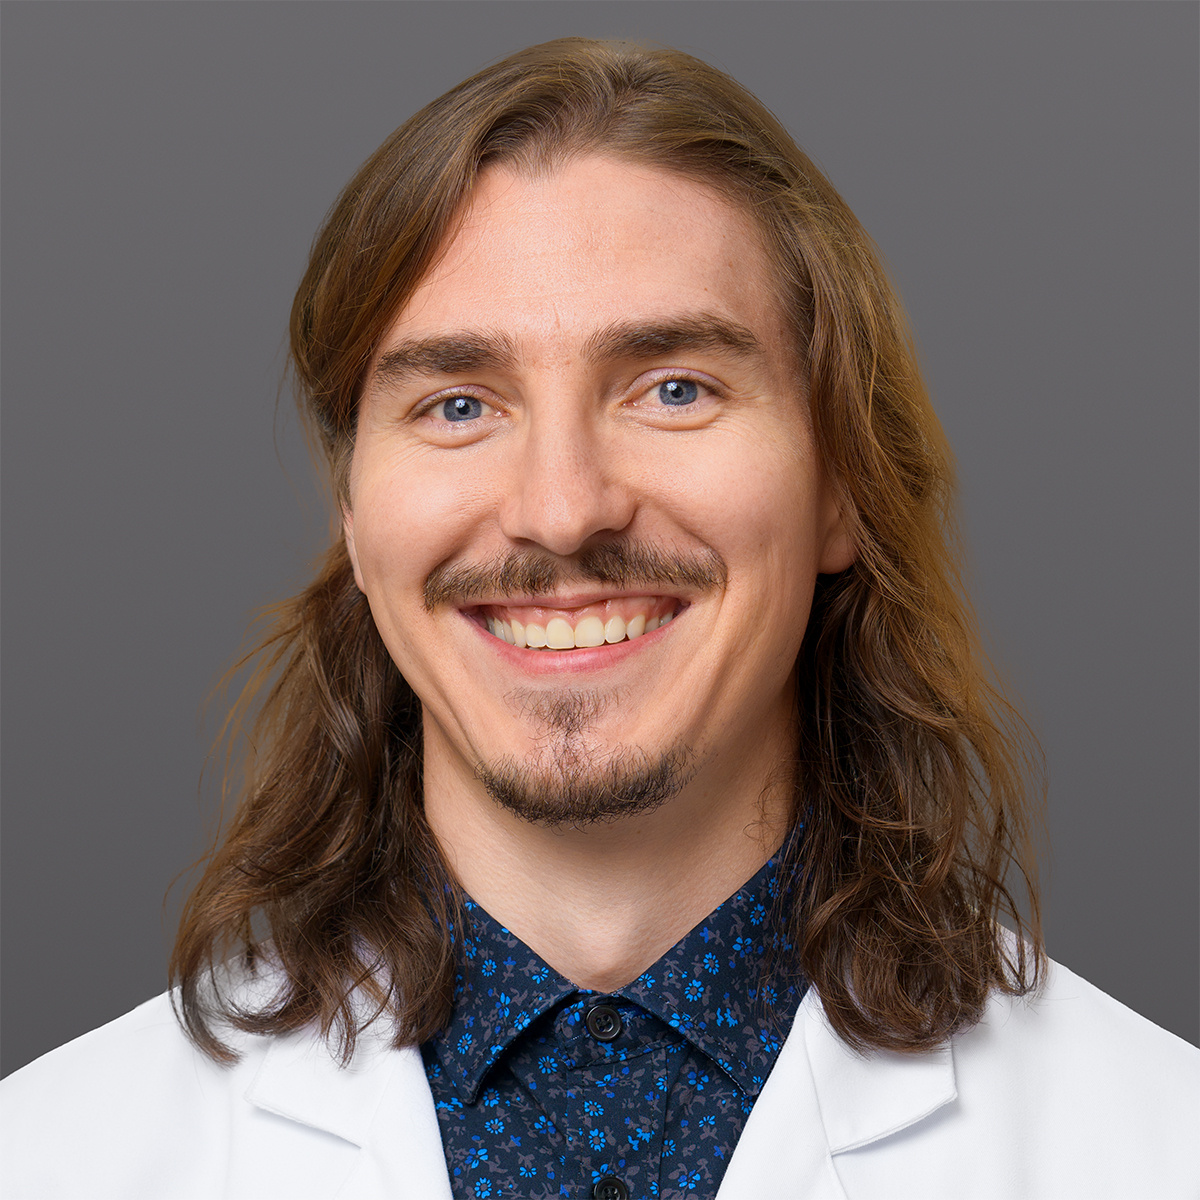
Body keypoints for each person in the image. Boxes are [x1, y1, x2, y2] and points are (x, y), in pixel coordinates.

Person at [2, 37, 1195, 1200]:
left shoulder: (1159, 1150)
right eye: (459, 404)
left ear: (842, 485)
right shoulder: (48, 1160)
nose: (563, 510)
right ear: (354, 519)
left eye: (674, 389)